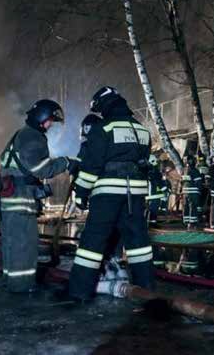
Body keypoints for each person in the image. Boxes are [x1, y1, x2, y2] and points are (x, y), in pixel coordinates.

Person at [68, 86, 155, 301]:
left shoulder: (103, 129)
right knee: (138, 244)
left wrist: (80, 192)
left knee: (92, 243)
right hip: (134, 196)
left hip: (107, 193)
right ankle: (147, 289)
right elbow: (145, 164)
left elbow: (92, 166)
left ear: (105, 106)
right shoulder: (143, 130)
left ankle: (79, 293)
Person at [0, 99, 73, 293]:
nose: (50, 125)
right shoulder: (33, 137)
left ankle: (11, 282)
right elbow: (40, 169)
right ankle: (22, 287)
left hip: (11, 199)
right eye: (50, 121)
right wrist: (65, 163)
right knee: (24, 245)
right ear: (41, 118)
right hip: (21, 200)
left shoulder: (20, 135)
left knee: (12, 243)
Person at [145, 154, 169, 227]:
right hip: (154, 193)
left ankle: (147, 222)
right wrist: (165, 189)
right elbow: (158, 181)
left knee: (148, 208)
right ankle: (152, 223)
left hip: (148, 193)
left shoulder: (146, 170)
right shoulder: (154, 170)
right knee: (154, 208)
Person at [181, 155, 203, 229]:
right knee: (192, 207)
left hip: (185, 192)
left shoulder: (184, 170)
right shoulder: (195, 170)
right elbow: (198, 182)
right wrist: (200, 190)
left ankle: (186, 222)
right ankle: (192, 223)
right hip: (193, 192)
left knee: (186, 207)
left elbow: (182, 182)